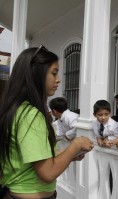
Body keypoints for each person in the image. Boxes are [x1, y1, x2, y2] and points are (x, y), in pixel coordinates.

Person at [0, 46, 93, 199]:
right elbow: (47, 172)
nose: (58, 79)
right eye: (54, 73)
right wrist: (76, 145)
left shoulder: (19, 109)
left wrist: (69, 154)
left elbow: (37, 155)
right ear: (36, 74)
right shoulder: (31, 114)